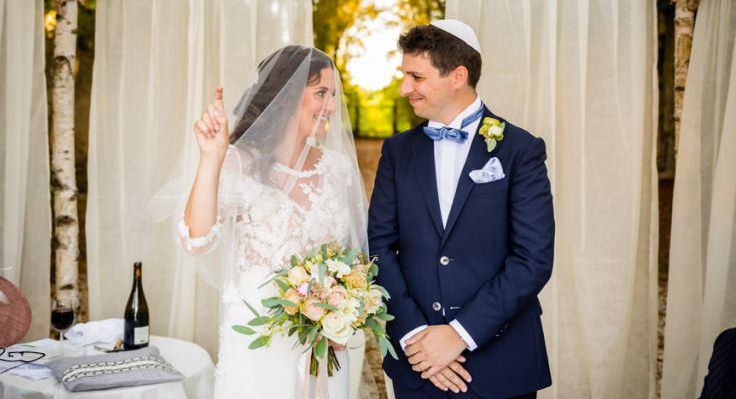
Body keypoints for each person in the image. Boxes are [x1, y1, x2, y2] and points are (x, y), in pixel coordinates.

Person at [368, 20, 554, 398]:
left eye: (416, 77)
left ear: (458, 76)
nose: (405, 89)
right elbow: (379, 247)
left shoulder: (520, 150)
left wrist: (459, 334)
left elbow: (533, 259)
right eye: (405, 76)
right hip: (416, 365)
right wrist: (415, 336)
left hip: (501, 363)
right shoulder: (398, 152)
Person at [178, 46, 367, 398]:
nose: (331, 107)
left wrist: (342, 313)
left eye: (333, 95)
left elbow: (356, 258)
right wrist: (211, 158)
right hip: (258, 342)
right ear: (287, 96)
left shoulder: (337, 169)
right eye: (321, 93)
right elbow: (196, 240)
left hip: (325, 346)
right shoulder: (238, 163)